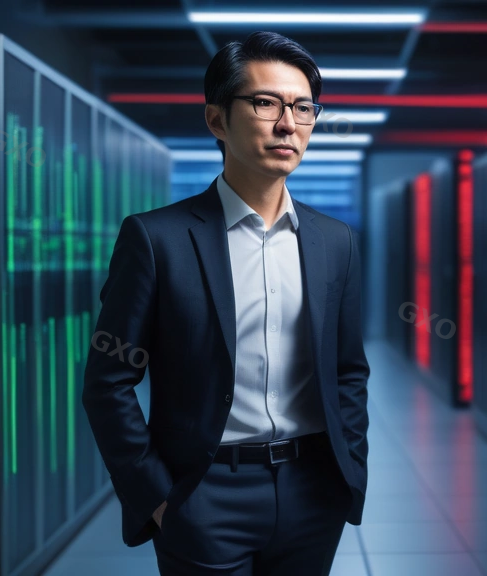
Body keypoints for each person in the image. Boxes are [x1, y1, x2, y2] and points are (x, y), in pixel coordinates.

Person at [82, 31, 370, 576]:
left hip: (314, 493)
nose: (288, 123)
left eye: (304, 107)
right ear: (217, 120)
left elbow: (348, 371)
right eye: (266, 103)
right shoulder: (156, 238)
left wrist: (350, 470)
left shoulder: (336, 242)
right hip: (203, 494)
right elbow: (109, 381)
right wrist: (160, 498)